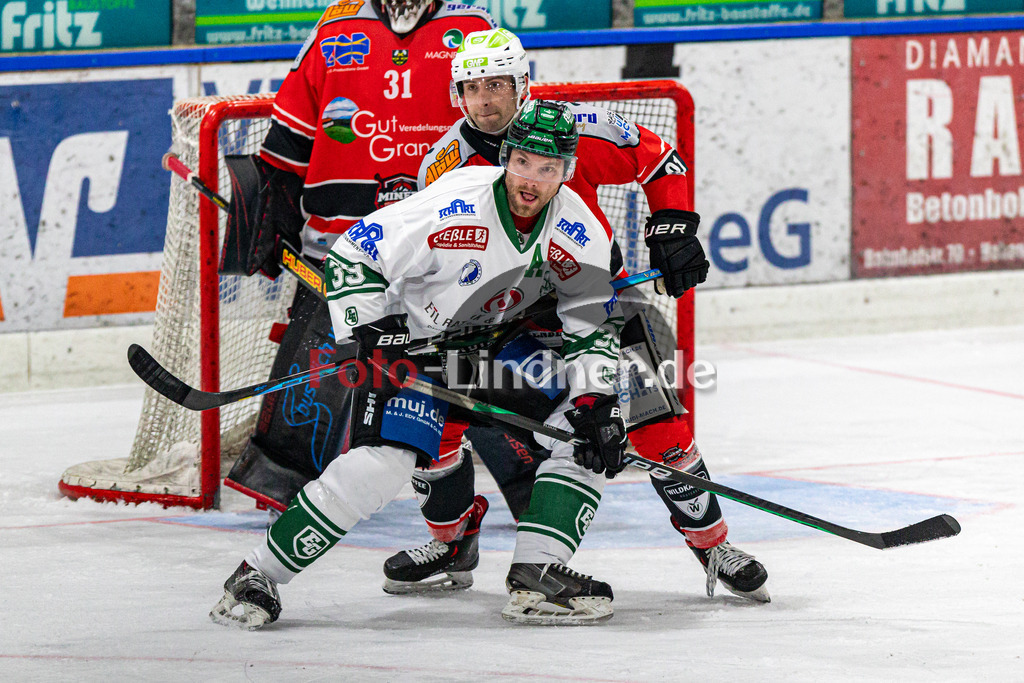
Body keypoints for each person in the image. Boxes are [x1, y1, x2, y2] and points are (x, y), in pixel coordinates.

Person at [382, 27, 769, 604]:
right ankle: (453, 540)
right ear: (456, 95)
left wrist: (673, 226)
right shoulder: (443, 164)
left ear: (522, 86)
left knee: (655, 423)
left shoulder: (574, 129)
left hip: (591, 304)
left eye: (497, 85)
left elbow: (660, 157)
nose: (485, 99)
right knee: (436, 423)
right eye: (472, 87)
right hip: (500, 316)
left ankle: (713, 546)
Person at [211, 101, 629, 629]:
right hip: (419, 354)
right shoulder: (455, 203)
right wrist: (370, 329)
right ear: (506, 156)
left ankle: (537, 575)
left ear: (567, 171)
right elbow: (355, 252)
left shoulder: (581, 228)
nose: (532, 180)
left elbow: (589, 321)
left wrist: (596, 398)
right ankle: (258, 574)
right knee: (382, 464)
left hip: (498, 352)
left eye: (549, 169)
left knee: (587, 433)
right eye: (523, 162)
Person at [224, 1, 497, 512]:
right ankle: (285, 480)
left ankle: (523, 489)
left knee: (472, 373)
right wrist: (274, 207)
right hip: (339, 247)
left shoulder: (474, 27)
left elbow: (504, 132)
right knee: (326, 369)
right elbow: (288, 140)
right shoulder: (335, 25)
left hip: (448, 247)